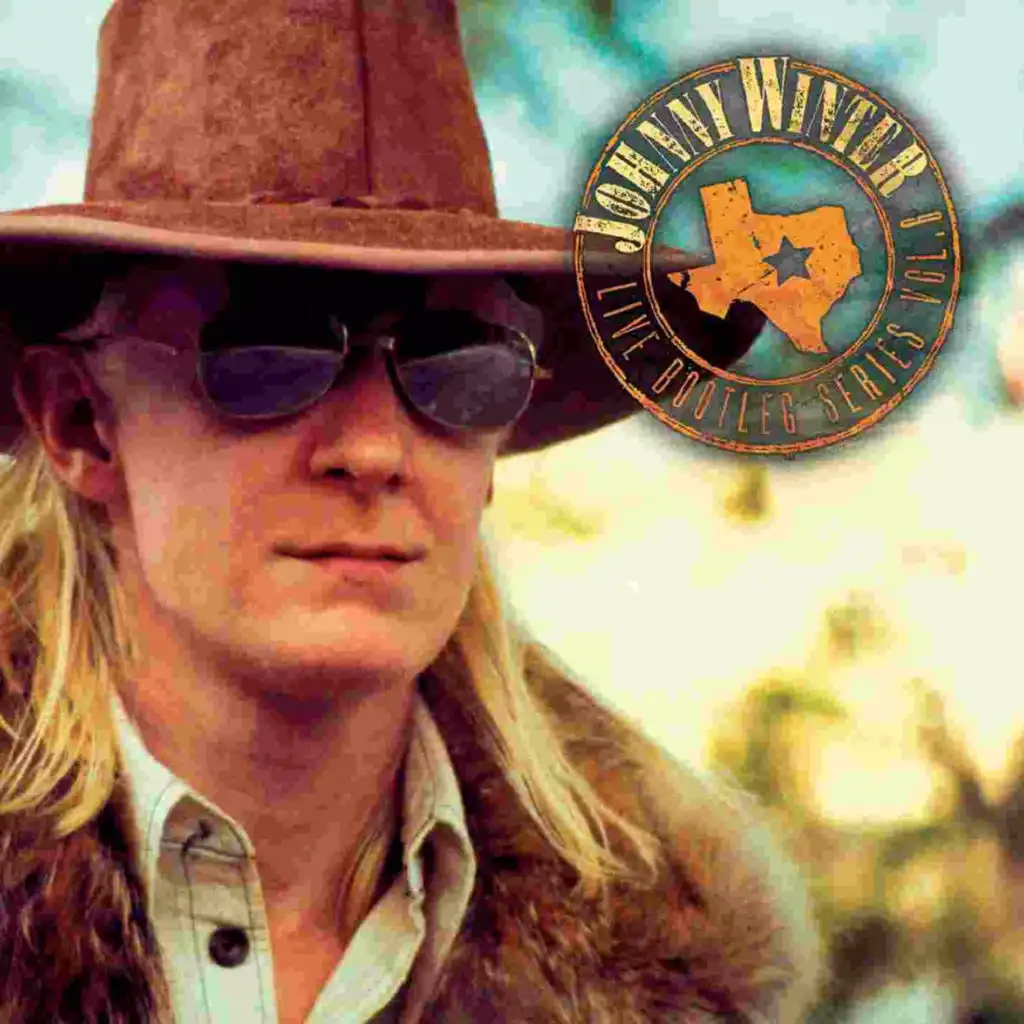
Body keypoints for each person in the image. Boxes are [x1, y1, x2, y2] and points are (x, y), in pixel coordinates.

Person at [0, 1, 822, 1021]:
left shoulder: (669, 970)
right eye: (268, 353)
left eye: (460, 364)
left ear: (495, 446)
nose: (374, 449)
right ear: (81, 423)